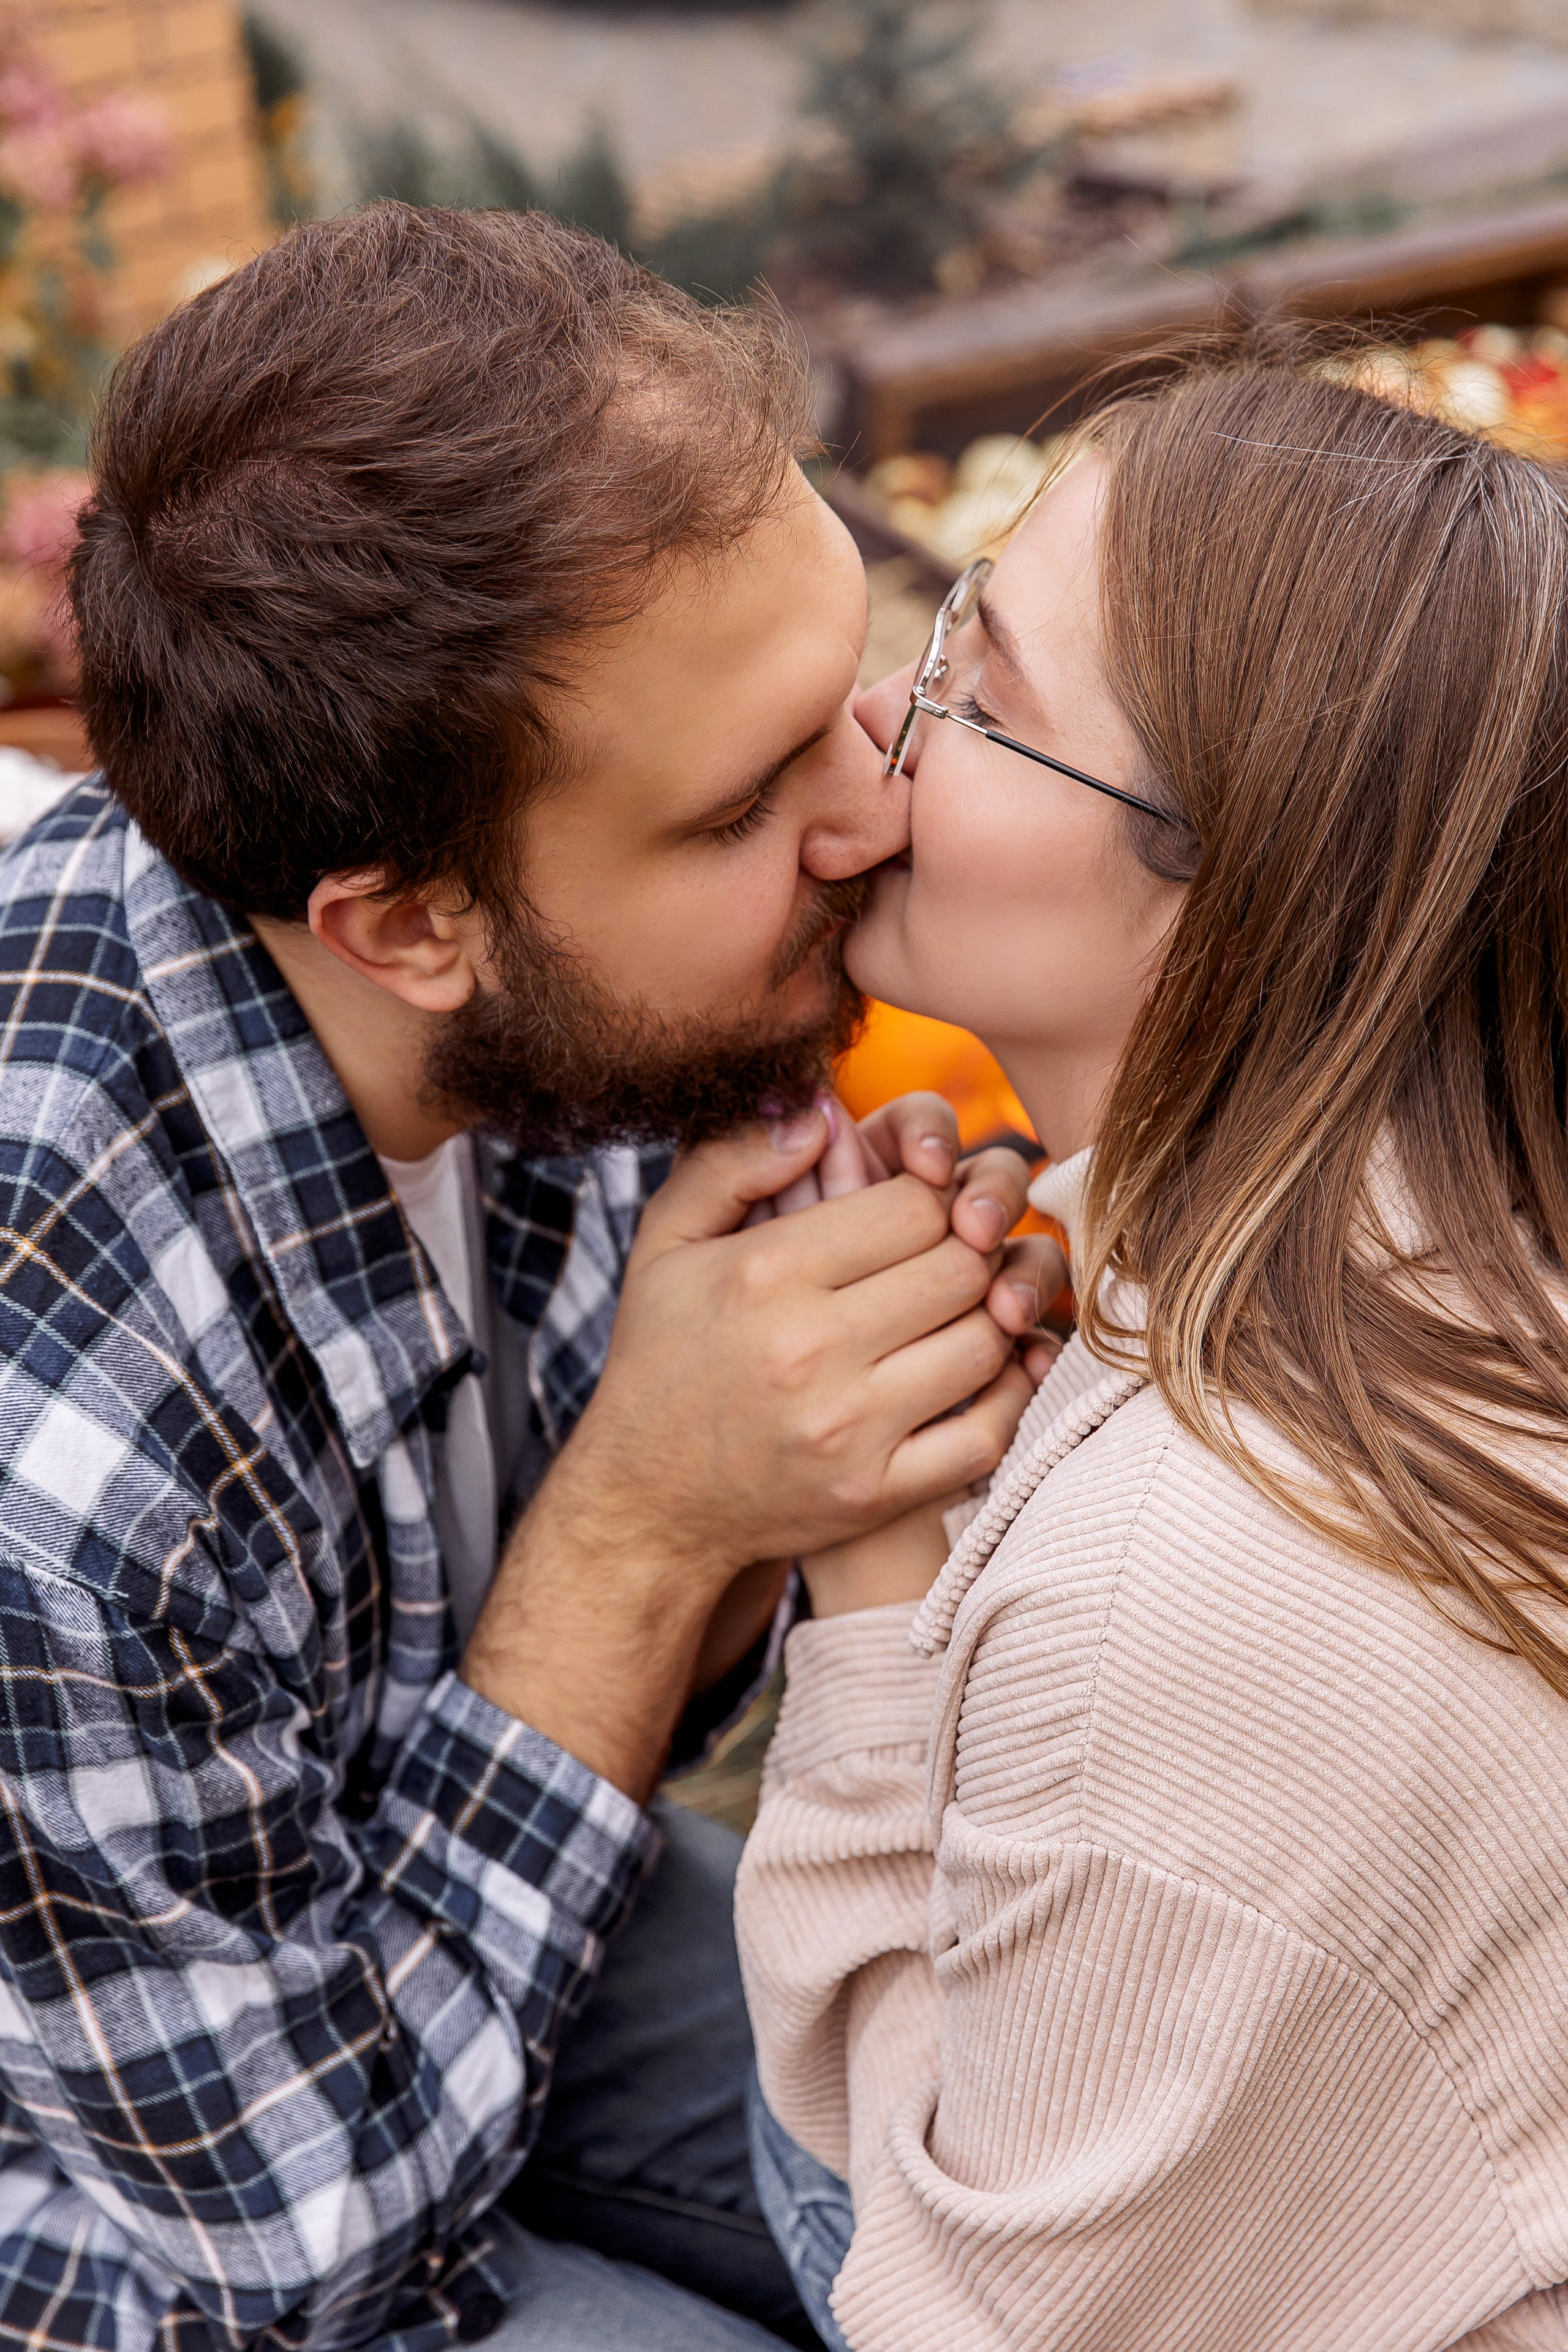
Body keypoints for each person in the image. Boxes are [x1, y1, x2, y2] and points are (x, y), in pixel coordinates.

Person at [0, 204, 1058, 2352]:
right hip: (171, 2223)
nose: (873, 810)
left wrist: (805, 1469)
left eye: (845, 688)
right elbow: (302, 2248)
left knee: (1070, 2180)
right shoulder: (58, 1444)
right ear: (411, 927)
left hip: (427, 1875)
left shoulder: (579, 988)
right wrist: (654, 1525)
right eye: (748, 802)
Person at [736, 353, 1568, 2352]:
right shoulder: (1450, 1267)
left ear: (1249, 883)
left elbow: (967, 2319)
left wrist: (874, 1573)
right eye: (943, 630)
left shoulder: (1183, 1593)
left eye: (983, 695)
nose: (883, 724)